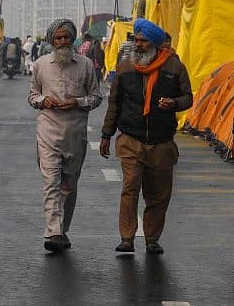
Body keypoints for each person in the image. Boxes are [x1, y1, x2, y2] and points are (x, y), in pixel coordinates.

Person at [100, 18, 192, 254]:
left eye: (143, 41)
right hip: (131, 138)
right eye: (136, 40)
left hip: (161, 141)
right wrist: (106, 134)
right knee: (130, 187)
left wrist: (173, 103)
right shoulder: (126, 67)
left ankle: (151, 237)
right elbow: (115, 102)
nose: (138, 45)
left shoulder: (174, 66)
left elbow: (188, 98)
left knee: (158, 193)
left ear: (156, 44)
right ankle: (127, 238)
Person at [29, 19, 103, 252]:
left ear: (73, 39)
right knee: (51, 182)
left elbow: (96, 97)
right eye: (58, 38)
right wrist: (43, 100)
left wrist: (77, 102)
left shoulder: (86, 65)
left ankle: (63, 229)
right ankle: (53, 232)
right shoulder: (40, 65)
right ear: (52, 41)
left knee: (69, 186)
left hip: (75, 134)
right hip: (47, 132)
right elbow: (32, 96)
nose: (62, 41)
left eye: (66, 37)